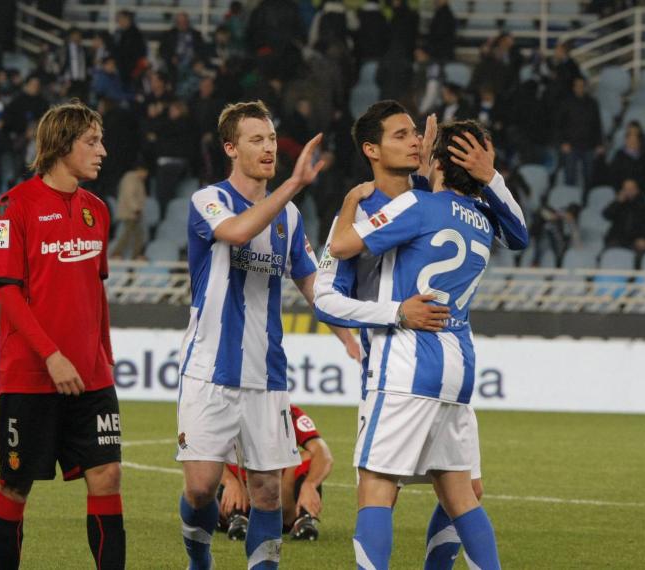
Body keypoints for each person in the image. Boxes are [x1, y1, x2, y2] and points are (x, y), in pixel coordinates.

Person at [327, 119, 528, 570]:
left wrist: (349, 203)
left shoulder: (416, 205)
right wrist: (490, 176)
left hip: (407, 362)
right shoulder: (482, 221)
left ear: (436, 161)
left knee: (375, 485)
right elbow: (521, 234)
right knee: (460, 492)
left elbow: (341, 245)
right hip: (458, 364)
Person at [175, 100, 358, 570]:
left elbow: (315, 287)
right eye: (257, 139)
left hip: (267, 375)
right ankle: (200, 561)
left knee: (268, 493)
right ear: (231, 148)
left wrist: (350, 335)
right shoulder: (208, 200)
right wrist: (294, 184)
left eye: (272, 139)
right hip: (209, 369)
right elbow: (236, 232)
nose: (269, 148)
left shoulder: (290, 219)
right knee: (199, 489)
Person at [0, 101, 124, 569]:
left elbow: (95, 291)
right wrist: (51, 355)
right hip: (32, 376)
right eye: (91, 141)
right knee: (14, 485)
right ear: (62, 144)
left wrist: (103, 355)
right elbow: (7, 293)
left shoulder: (97, 211)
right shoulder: (11, 207)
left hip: (91, 377)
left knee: (107, 475)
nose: (102, 150)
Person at [217, 404, 334, 541]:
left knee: (306, 458)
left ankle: (304, 518)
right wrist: (229, 481)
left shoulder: (290, 412)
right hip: (243, 486)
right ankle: (236, 517)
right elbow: (207, 453)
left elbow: (323, 453)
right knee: (227, 460)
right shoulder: (228, 411)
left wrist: (310, 484)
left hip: (281, 497)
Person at [110, 161, 149, 259]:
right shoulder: (131, 178)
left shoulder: (136, 180)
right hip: (130, 212)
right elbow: (129, 195)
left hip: (133, 212)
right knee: (129, 234)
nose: (146, 175)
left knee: (136, 234)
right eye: (145, 172)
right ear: (140, 170)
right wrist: (136, 209)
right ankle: (117, 253)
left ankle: (133, 255)